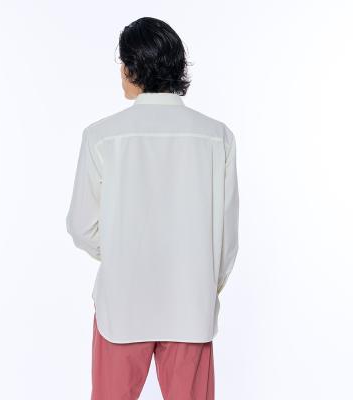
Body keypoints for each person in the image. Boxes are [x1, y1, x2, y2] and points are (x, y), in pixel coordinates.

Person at [66, 16, 239, 400]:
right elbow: (226, 241)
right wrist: (202, 281)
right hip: (190, 303)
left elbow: (81, 226)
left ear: (132, 68)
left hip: (122, 304)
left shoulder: (101, 136)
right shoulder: (217, 137)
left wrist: (122, 251)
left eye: (122, 64)